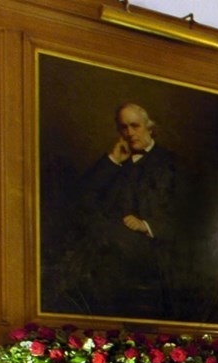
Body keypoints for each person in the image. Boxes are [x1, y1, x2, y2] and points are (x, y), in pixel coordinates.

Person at [75, 102, 179, 317]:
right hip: (110, 257)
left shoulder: (169, 163)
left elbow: (183, 210)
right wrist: (113, 160)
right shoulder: (118, 161)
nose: (129, 133)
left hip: (152, 256)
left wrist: (146, 225)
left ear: (150, 128)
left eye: (135, 126)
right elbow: (83, 197)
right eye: (124, 127)